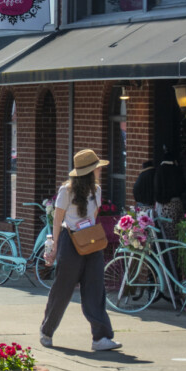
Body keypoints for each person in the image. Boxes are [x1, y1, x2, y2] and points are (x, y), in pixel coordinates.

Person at [40, 148, 121, 351]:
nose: (99, 172)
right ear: (89, 172)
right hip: (70, 239)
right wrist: (54, 245)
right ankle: (47, 331)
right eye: (96, 168)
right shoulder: (66, 191)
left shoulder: (97, 190)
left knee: (95, 287)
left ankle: (100, 337)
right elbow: (57, 219)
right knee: (62, 288)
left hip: (91, 239)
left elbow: (93, 216)